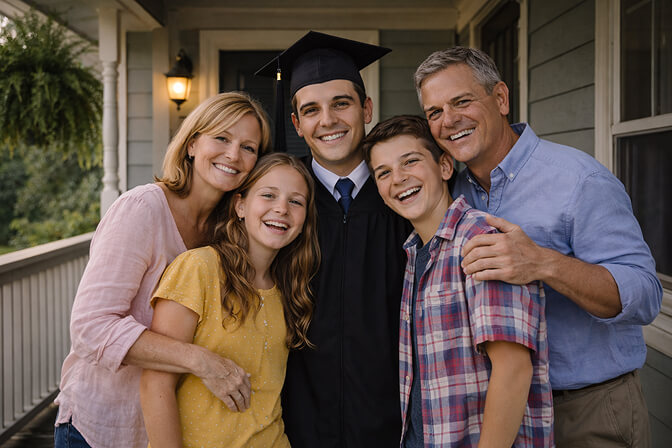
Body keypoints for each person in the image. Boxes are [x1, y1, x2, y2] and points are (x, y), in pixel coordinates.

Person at [415, 47, 662, 447]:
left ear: (500, 99)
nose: (449, 121)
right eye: (435, 112)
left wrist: (543, 263)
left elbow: (645, 296)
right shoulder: (454, 193)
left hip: (585, 410)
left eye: (462, 101)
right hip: (499, 414)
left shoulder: (578, 180)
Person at [54, 91, 272, 448]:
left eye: (249, 147)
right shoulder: (142, 210)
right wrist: (201, 361)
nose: (234, 155)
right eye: (221, 138)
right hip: (102, 427)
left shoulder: (228, 231)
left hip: (171, 429)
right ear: (191, 144)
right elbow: (89, 328)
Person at [256, 31, 412, 447]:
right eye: (311, 110)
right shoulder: (279, 205)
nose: (327, 120)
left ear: (366, 108)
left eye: (341, 103)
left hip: (395, 424)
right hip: (296, 425)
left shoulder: (405, 196)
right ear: (297, 124)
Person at [362, 114, 553, 447]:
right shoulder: (414, 253)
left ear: (445, 167)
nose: (399, 179)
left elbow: (513, 369)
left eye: (410, 161)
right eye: (384, 173)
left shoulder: (480, 241)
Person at [140, 153, 320, 448]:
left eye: (296, 201)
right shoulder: (199, 269)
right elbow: (155, 384)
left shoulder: (290, 289)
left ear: (304, 221)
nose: (281, 209)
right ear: (240, 205)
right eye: (268, 195)